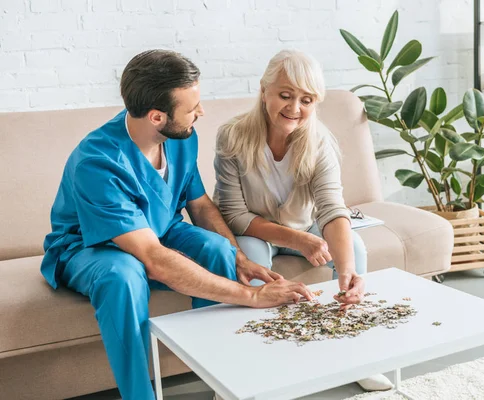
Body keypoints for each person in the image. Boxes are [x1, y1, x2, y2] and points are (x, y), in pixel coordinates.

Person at [40, 49, 313, 400]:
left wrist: (239, 258)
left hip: (160, 230)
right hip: (90, 246)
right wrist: (253, 296)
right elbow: (152, 257)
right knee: (122, 276)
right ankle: (139, 395)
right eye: (192, 108)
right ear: (157, 116)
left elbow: (199, 205)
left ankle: (225, 380)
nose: (201, 112)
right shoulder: (97, 162)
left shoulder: (181, 137)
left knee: (217, 249)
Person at [213, 49, 394, 392]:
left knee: (353, 246)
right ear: (263, 90)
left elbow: (331, 209)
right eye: (285, 95)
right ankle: (250, 367)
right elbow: (234, 215)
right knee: (250, 265)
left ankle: (357, 356)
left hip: (305, 223)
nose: (294, 108)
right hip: (255, 228)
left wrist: (347, 271)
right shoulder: (232, 136)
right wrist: (296, 240)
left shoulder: (320, 142)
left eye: (306, 100)